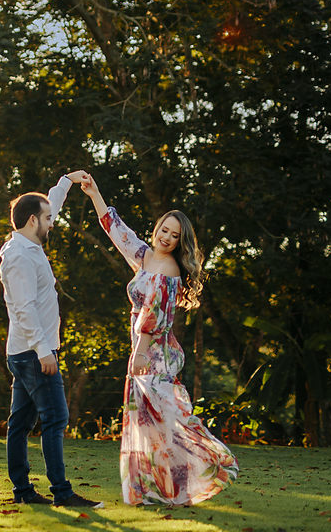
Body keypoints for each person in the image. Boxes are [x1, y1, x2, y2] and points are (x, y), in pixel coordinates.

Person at [78, 174, 238, 506]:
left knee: (167, 418)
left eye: (174, 235)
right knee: (145, 422)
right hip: (142, 352)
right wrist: (94, 192)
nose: (166, 237)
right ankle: (153, 491)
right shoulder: (146, 257)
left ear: (181, 242)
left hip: (153, 354)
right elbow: (116, 231)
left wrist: (139, 352)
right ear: (157, 229)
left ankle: (210, 463)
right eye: (164, 230)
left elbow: (155, 316)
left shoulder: (168, 271)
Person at [0, 171, 103, 508]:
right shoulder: (19, 257)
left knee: (21, 422)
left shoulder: (28, 243)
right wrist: (44, 352)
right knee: (55, 417)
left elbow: (50, 207)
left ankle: (24, 492)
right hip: (33, 351)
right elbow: (25, 309)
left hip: (28, 349)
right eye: (47, 219)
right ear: (32, 221)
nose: (52, 223)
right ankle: (62, 493)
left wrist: (66, 182)